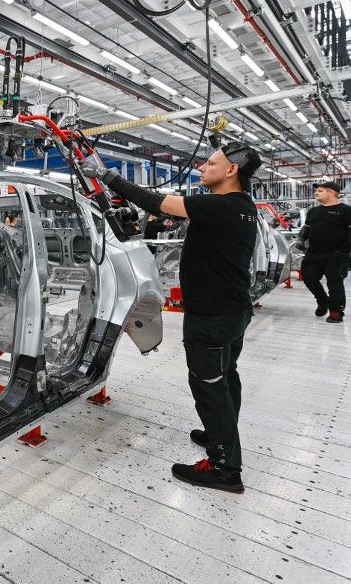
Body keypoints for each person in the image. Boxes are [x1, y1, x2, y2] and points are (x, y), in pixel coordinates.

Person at [82, 142, 261, 493]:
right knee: (225, 376)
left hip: (211, 316)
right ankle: (218, 435)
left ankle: (225, 468)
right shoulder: (242, 206)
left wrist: (106, 175)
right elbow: (170, 214)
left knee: (208, 385)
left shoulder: (221, 205)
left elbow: (155, 202)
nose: (201, 168)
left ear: (231, 171)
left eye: (210, 163)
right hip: (233, 309)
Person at [298, 180, 351, 322]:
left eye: (320, 190)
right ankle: (323, 301)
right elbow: (306, 228)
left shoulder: (347, 211)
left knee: (335, 283)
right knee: (308, 278)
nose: (316, 192)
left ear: (331, 192)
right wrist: (300, 240)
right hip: (314, 253)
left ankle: (336, 311)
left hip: (337, 254)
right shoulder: (313, 211)